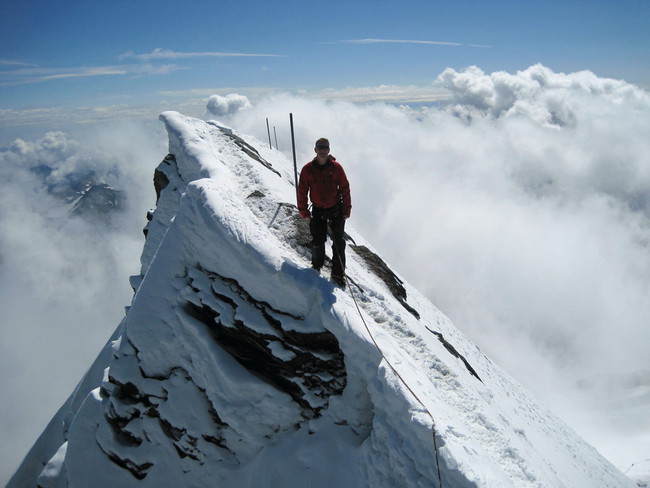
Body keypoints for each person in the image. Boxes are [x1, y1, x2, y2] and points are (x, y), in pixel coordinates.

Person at [297, 137, 351, 286]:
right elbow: (302, 190)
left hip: (336, 209)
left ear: (329, 150)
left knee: (339, 243)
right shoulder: (307, 169)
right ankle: (317, 265)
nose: (322, 151)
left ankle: (338, 274)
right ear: (315, 150)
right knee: (318, 241)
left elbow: (345, 188)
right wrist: (303, 210)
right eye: (320, 148)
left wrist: (346, 209)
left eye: (325, 148)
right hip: (318, 209)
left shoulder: (336, 168)